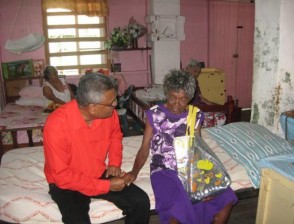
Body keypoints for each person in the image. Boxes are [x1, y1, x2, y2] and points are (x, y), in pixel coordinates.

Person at [124, 69, 238, 224]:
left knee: (226, 197)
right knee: (177, 206)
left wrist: (206, 182)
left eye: (183, 99)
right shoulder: (154, 114)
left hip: (189, 168)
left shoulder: (195, 115)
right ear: (167, 94)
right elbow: (145, 148)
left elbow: (198, 148)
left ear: (190, 98)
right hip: (163, 170)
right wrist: (134, 172)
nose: (176, 104)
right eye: (172, 98)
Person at [43, 73, 150, 224]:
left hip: (97, 173)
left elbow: (115, 135)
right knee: (77, 220)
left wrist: (114, 162)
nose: (115, 105)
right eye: (111, 102)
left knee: (140, 201)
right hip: (67, 183)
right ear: (92, 107)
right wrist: (107, 186)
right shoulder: (56, 125)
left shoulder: (108, 114)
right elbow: (61, 177)